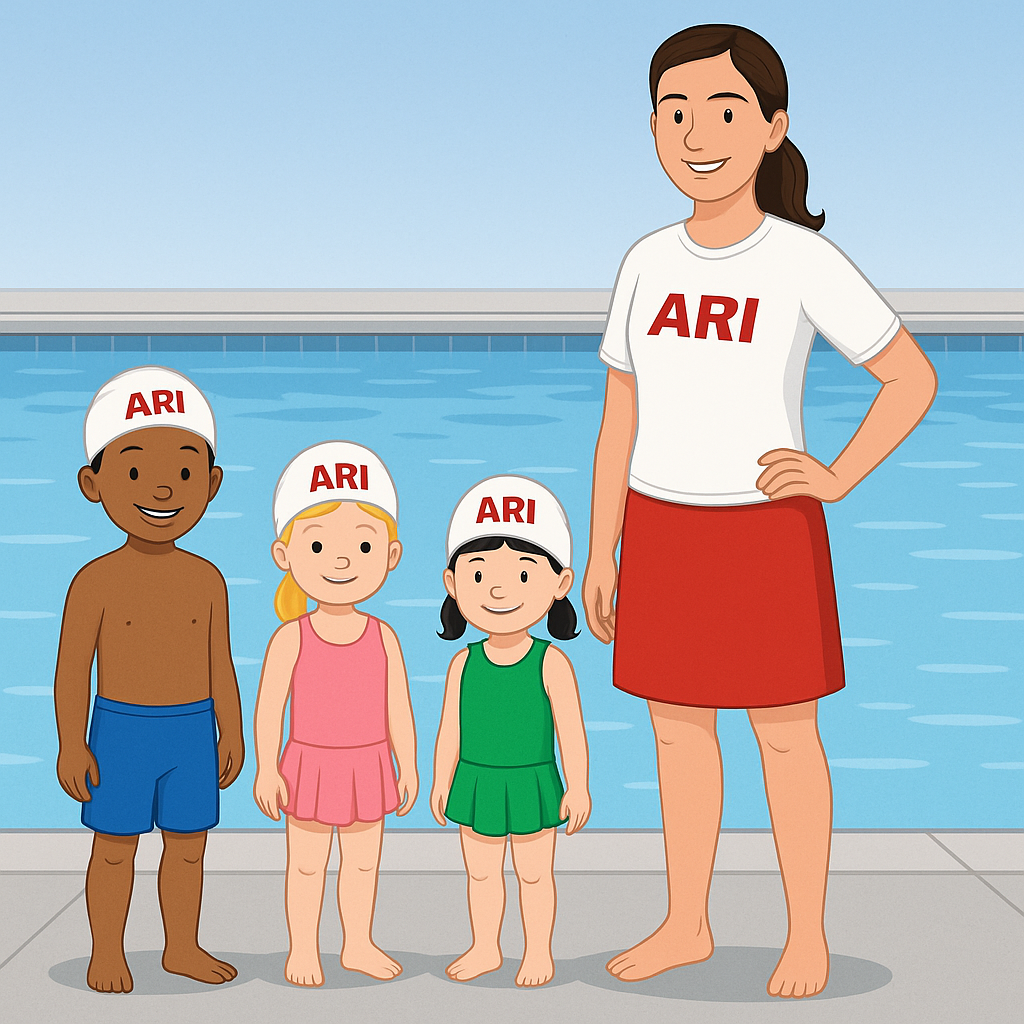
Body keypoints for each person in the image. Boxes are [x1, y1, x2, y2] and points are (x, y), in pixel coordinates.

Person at [582, 24, 938, 999]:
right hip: (661, 526)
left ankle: (806, 933)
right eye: (675, 110)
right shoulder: (646, 261)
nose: (697, 130)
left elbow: (908, 377)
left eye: (725, 109)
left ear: (773, 127)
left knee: (784, 734)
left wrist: (837, 474)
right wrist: (600, 549)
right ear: (651, 126)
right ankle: (686, 922)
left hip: (762, 531)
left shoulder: (801, 260)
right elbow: (621, 414)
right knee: (676, 732)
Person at [54, 365, 245, 994]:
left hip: (191, 729)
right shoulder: (94, 581)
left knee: (188, 845)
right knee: (115, 847)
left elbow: (222, 661)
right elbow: (72, 668)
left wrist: (231, 732)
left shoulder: (208, 578)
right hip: (121, 730)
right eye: (135, 472)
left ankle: (181, 947)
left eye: (185, 472)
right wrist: (72, 741)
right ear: (94, 483)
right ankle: (106, 950)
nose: (163, 488)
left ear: (211, 484)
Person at [252, 441, 417, 987]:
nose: (342, 561)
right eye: (319, 544)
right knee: (306, 863)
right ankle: (303, 949)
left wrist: (408, 765)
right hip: (309, 764)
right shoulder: (290, 638)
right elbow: (270, 706)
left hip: (369, 764)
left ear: (390, 555)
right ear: (286, 555)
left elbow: (399, 709)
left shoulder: (383, 636)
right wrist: (266, 767)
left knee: (364, 862)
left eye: (363, 546)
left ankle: (358, 944)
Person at [431, 475, 591, 988]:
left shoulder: (552, 662)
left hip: (533, 782)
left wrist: (579, 785)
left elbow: (571, 731)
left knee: (534, 872)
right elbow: (449, 731)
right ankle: (484, 947)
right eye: (479, 576)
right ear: (453, 584)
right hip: (476, 781)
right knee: (480, 873)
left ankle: (539, 952)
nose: (499, 590)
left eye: (523, 575)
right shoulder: (463, 663)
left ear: (559, 583)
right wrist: (440, 780)